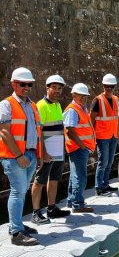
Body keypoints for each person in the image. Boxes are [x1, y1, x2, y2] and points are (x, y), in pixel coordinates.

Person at [0, 67, 42, 246]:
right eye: (22, 84)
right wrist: (19, 155)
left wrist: (37, 154)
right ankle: (16, 233)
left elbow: (36, 131)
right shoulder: (7, 104)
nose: (26, 87)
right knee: (18, 191)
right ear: (14, 84)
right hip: (15, 157)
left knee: (22, 190)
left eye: (29, 84)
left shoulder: (32, 105)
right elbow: (4, 131)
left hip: (30, 154)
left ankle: (16, 225)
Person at [31, 75, 70, 225]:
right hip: (47, 149)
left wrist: (63, 147)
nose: (57, 91)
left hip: (58, 148)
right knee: (40, 180)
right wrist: (43, 152)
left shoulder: (57, 105)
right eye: (54, 87)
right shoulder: (41, 105)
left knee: (54, 179)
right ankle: (36, 212)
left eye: (59, 88)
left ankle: (51, 208)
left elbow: (59, 128)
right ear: (47, 87)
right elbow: (39, 131)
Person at [63, 83, 96, 213]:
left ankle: (72, 201)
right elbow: (70, 130)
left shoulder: (81, 108)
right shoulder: (73, 109)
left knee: (74, 175)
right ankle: (78, 204)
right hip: (78, 148)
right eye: (80, 96)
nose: (83, 98)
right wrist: (82, 145)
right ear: (73, 95)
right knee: (80, 176)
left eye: (85, 96)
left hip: (80, 147)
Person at [90, 74, 119, 196]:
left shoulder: (116, 99)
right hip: (102, 136)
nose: (109, 89)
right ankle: (99, 187)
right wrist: (93, 134)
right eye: (107, 86)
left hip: (113, 135)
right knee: (103, 161)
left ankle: (105, 184)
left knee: (110, 161)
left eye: (111, 86)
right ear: (103, 86)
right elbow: (91, 118)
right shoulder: (97, 100)